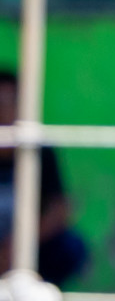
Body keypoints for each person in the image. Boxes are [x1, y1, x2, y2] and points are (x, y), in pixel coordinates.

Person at [0, 70, 89, 286]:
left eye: (11, 100)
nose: (4, 109)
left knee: (71, 247)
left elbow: (61, 209)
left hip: (27, 243)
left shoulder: (39, 150)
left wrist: (16, 246)